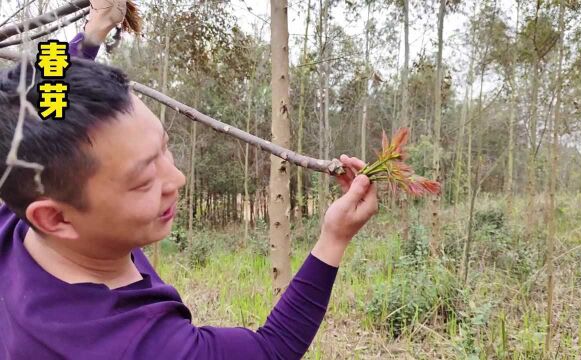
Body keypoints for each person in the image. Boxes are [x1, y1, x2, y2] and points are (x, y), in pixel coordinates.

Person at [0, 1, 378, 359]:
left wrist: (94, 32)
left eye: (165, 148)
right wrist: (334, 237)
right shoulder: (139, 346)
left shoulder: (20, 196)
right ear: (56, 218)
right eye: (143, 179)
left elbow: (44, 120)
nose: (176, 179)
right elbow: (272, 350)